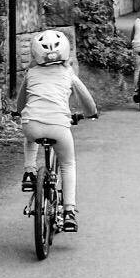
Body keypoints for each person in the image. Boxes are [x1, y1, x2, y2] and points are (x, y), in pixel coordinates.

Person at [16, 29, 98, 233]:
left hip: (32, 125)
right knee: (68, 164)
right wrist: (91, 113)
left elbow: (20, 104)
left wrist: (19, 112)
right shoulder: (68, 73)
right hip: (58, 126)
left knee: (29, 132)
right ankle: (69, 211)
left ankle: (29, 170)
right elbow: (87, 100)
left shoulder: (31, 73)